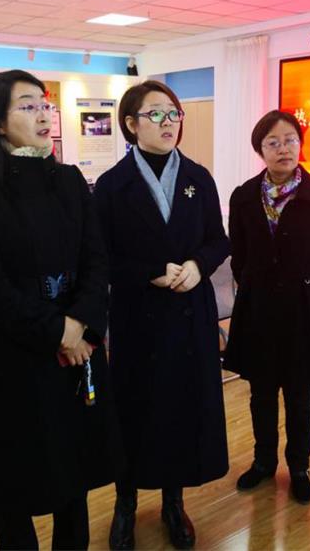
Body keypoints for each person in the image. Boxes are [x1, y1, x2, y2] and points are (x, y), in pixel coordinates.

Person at [0, 69, 122, 550]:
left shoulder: (69, 179)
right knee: (16, 480)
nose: (44, 114)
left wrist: (82, 327)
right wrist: (59, 332)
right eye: (28, 106)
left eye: (45, 104)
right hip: (20, 352)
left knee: (74, 470)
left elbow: (96, 260)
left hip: (78, 348)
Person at [93, 80, 230, 550]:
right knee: (134, 410)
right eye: (155, 114)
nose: (168, 122)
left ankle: (174, 502)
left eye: (173, 113)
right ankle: (126, 504)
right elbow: (100, 258)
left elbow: (218, 240)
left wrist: (198, 265)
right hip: (138, 316)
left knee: (181, 410)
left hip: (190, 313)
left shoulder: (198, 177)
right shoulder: (111, 186)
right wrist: (149, 272)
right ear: (131, 124)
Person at [223, 110, 310, 504]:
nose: (283, 149)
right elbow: (238, 252)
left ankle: (299, 466)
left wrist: (305, 278)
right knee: (260, 392)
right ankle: (263, 461)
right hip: (258, 307)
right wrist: (256, 279)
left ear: (300, 144)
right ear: (260, 150)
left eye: (290, 140)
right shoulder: (244, 196)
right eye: (273, 142)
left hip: (301, 307)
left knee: (299, 394)